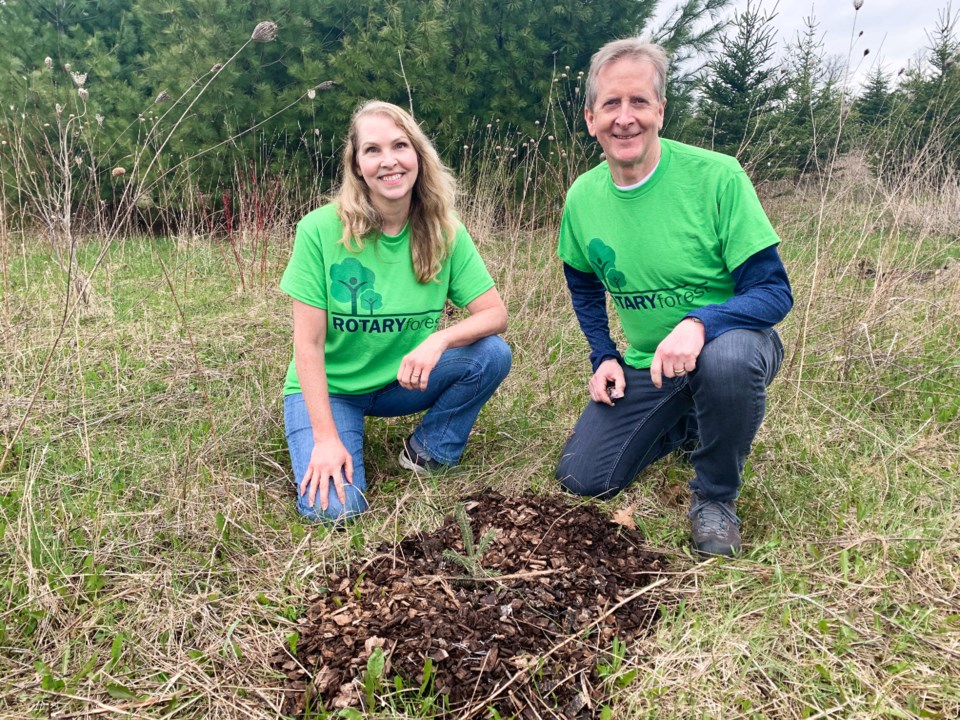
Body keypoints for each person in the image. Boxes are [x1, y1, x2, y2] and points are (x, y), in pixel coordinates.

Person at [556, 39, 793, 557]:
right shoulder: (582, 197)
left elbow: (774, 291)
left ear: (660, 111)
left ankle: (714, 497)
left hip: (731, 346)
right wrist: (603, 355)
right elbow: (583, 284)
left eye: (639, 102)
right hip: (650, 363)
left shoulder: (717, 177)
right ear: (590, 117)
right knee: (583, 478)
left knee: (726, 362)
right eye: (611, 105)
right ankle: (691, 420)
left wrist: (702, 322)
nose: (625, 118)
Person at [281, 100, 511, 523]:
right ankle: (335, 438)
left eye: (399, 146)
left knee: (492, 353)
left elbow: (494, 314)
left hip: (401, 382)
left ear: (418, 156)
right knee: (335, 511)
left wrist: (438, 339)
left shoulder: (444, 230)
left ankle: (428, 450)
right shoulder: (318, 230)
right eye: (372, 150)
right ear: (355, 164)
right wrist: (326, 438)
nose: (389, 161)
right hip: (334, 390)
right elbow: (308, 345)